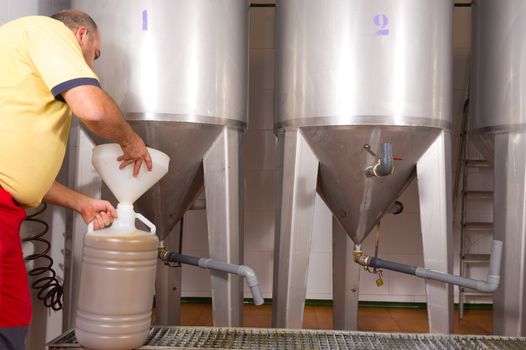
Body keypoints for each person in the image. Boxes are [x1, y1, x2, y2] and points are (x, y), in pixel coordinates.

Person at [0, 9, 152, 349]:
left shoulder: (19, 53)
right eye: (94, 56)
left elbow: (18, 169)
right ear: (81, 35)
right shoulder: (47, 31)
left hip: (7, 211)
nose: (91, 67)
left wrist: (81, 201)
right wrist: (130, 141)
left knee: (10, 316)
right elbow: (94, 109)